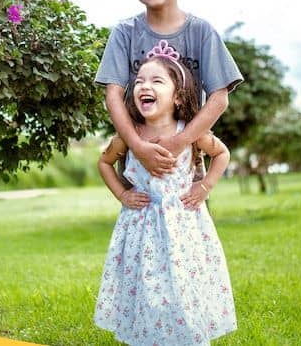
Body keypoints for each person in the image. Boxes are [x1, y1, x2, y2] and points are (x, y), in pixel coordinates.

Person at [94, 51, 236, 345]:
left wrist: (205, 186)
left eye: (157, 81)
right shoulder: (129, 136)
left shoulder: (191, 133)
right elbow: (104, 163)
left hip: (183, 226)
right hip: (140, 230)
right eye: (139, 82)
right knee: (147, 291)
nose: (144, 86)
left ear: (178, 97)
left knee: (184, 288)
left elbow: (221, 154)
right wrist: (122, 193)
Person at [95, 0, 243, 198]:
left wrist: (179, 142)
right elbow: (113, 95)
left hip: (186, 158)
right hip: (136, 156)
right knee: (139, 231)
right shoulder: (124, 33)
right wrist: (138, 146)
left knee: (188, 233)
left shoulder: (201, 32)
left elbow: (219, 99)